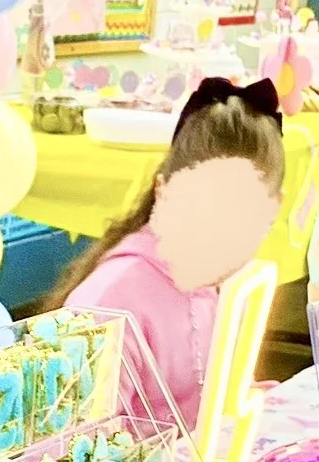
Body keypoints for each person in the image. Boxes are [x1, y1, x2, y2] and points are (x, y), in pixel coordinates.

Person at [49, 78, 287, 428]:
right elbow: (78, 456)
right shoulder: (106, 307)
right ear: (163, 192)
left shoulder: (220, 284)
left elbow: (221, 398)